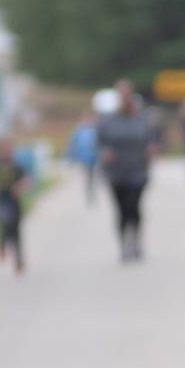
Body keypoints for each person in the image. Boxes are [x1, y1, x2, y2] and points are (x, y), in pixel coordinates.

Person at [97, 80, 158, 261]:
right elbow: (100, 142)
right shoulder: (108, 121)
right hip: (116, 172)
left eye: (127, 95)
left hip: (138, 171)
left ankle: (135, 239)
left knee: (134, 206)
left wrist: (152, 148)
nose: (125, 99)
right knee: (121, 210)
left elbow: (152, 139)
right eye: (121, 96)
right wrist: (104, 152)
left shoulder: (142, 119)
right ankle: (123, 244)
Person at [0, 135, 31, 275]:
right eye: (6, 148)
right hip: (2, 200)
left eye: (10, 148)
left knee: (16, 229)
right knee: (6, 223)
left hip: (14, 201)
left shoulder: (16, 165)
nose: (9, 150)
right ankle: (2, 245)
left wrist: (20, 187)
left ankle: (18, 259)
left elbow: (26, 179)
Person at [65, 112, 99, 203]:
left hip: (94, 157)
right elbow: (72, 143)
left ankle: (91, 189)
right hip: (84, 157)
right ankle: (89, 190)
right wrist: (71, 156)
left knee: (92, 175)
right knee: (87, 175)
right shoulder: (79, 130)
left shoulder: (95, 130)